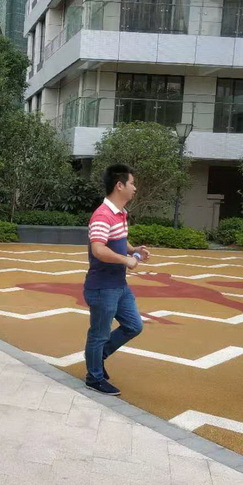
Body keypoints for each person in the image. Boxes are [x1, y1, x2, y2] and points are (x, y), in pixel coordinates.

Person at [83, 164, 149, 396]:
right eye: (132, 183)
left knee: (134, 325)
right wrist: (125, 260)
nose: (134, 188)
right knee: (99, 334)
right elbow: (99, 249)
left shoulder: (120, 213)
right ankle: (94, 377)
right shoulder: (102, 215)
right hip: (102, 287)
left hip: (118, 285)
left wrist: (133, 250)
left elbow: (119, 239)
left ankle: (97, 356)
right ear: (119, 185)